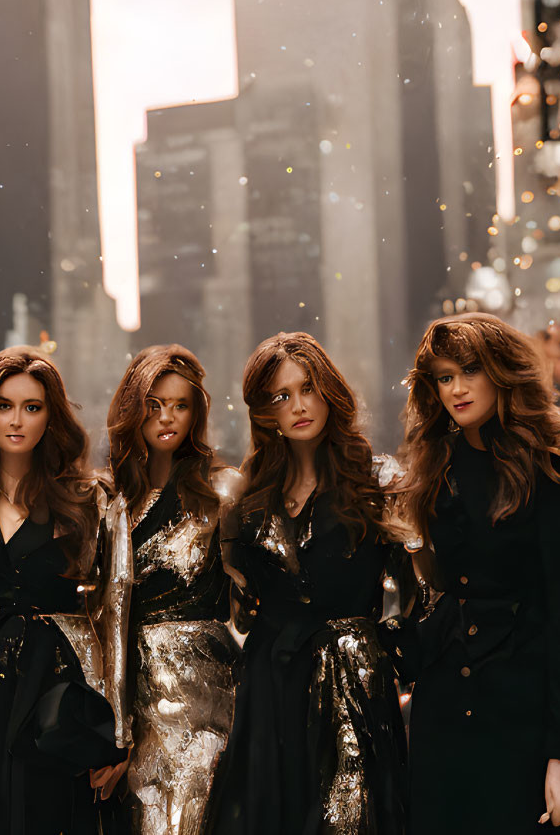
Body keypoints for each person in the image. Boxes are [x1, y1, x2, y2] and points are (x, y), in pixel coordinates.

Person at [397, 312, 560, 835]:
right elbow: (435, 594)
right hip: (442, 709)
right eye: (444, 377)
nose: (457, 389)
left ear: (502, 372)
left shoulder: (557, 474)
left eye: (469, 371)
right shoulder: (431, 471)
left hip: (520, 708)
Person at [205, 332, 411, 835]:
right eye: (281, 396)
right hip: (271, 684)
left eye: (308, 388)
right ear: (263, 411)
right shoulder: (249, 500)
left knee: (349, 818)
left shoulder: (376, 481)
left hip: (353, 682)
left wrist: (382, 652)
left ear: (329, 392)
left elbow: (416, 597)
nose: (298, 406)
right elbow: (241, 608)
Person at [0, 346, 127, 835]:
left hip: (57, 695)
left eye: (33, 406)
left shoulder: (88, 501)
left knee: (55, 814)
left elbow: (113, 615)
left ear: (53, 415)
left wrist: (119, 730)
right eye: (4, 405)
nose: (17, 420)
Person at [101, 345, 240, 835]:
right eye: (154, 404)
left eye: (180, 405)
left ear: (196, 412)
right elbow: (103, 608)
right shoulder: (111, 499)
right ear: (133, 409)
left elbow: (250, 597)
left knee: (195, 816)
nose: (167, 417)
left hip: (204, 688)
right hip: (131, 689)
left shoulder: (222, 491)